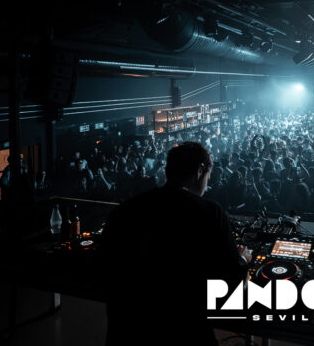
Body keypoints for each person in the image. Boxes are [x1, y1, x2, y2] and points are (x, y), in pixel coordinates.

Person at [98, 142, 251, 345]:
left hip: (126, 334)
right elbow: (233, 283)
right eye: (208, 176)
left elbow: (103, 268)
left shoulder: (124, 210)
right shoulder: (211, 212)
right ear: (200, 171)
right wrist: (243, 259)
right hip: (186, 334)